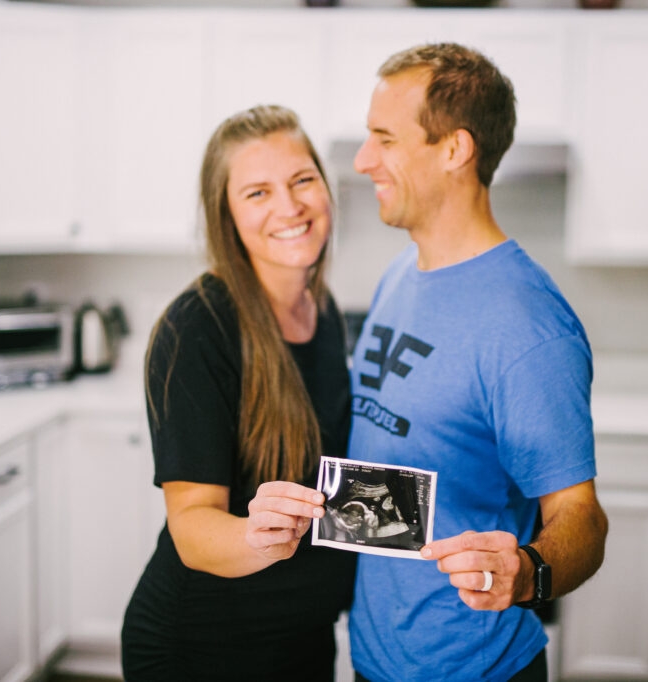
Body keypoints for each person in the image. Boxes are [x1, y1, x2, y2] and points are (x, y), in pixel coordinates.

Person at [346, 43, 609, 682]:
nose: (362, 161)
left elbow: (582, 520)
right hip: (374, 658)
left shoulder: (528, 326)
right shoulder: (398, 274)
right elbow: (415, 480)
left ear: (455, 150)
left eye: (384, 138)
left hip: (474, 666)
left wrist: (528, 573)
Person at [120, 104, 357, 681]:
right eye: (257, 193)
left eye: (303, 180)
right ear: (225, 214)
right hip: (202, 648)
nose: (289, 206)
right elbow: (193, 528)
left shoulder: (321, 311)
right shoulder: (196, 328)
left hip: (300, 642)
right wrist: (257, 534)